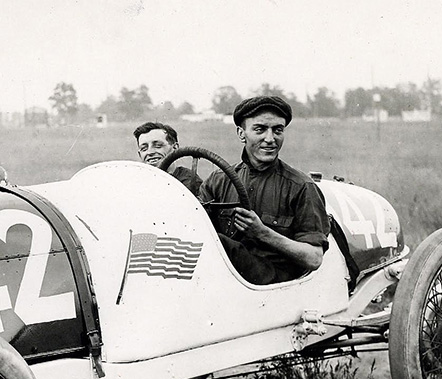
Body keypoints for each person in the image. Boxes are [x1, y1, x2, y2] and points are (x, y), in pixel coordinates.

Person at [198, 96, 329, 285]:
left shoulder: (301, 187)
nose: (270, 139)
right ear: (241, 134)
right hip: (225, 280)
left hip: (275, 286)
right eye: (260, 129)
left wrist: (262, 232)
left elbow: (314, 258)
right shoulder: (217, 181)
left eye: (278, 130)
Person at [133, 122, 202, 196]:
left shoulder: (189, 181)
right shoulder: (136, 182)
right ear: (139, 154)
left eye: (158, 146)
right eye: (144, 148)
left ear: (175, 148)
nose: (150, 152)